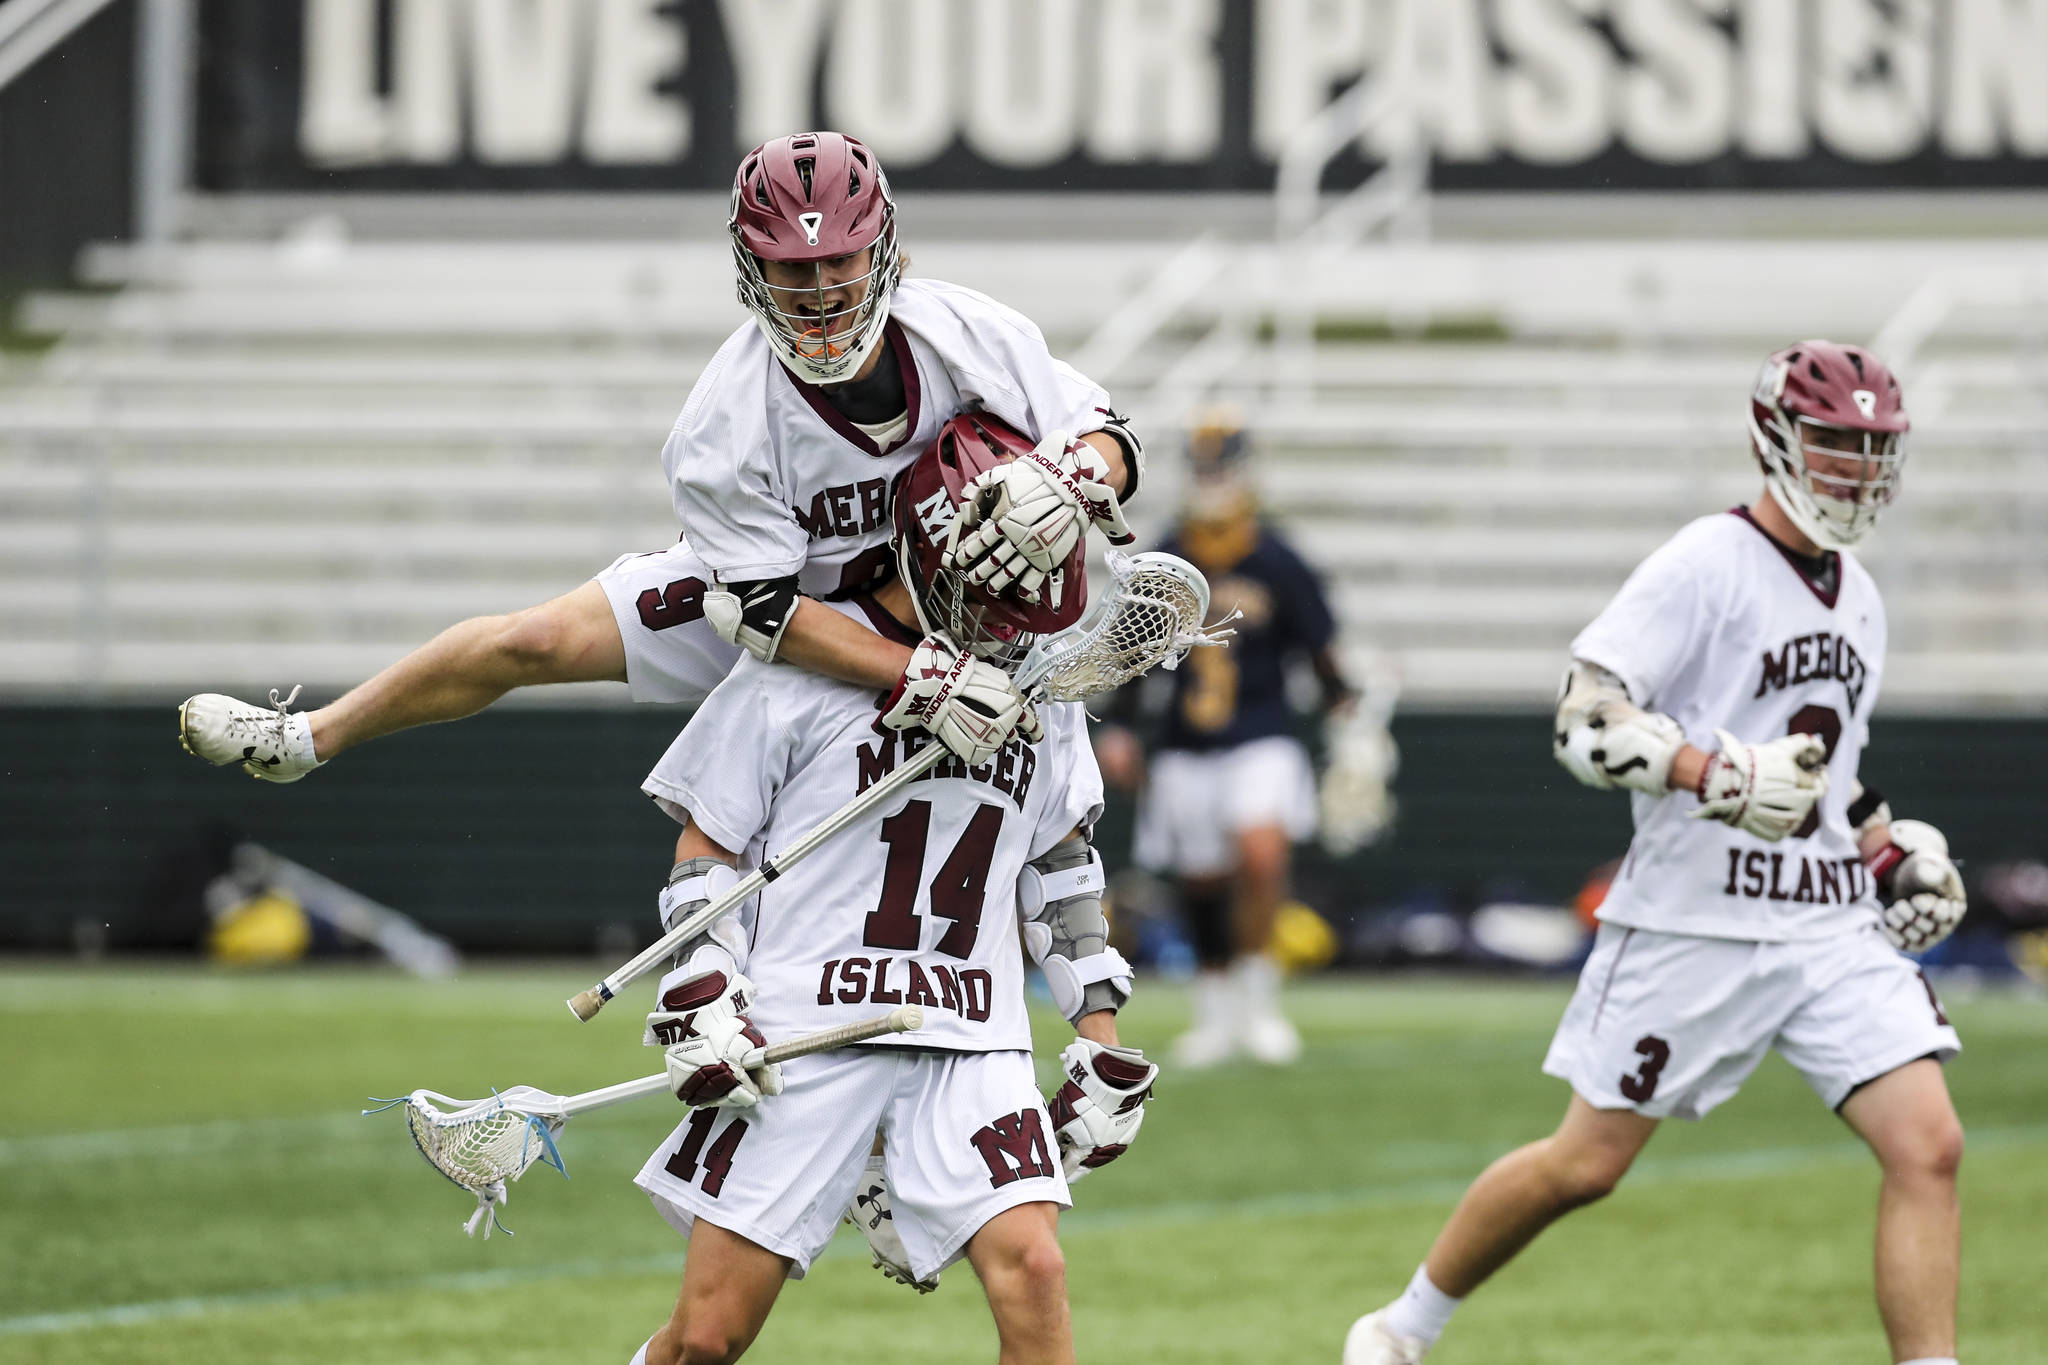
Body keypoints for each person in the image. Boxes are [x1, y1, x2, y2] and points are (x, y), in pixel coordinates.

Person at [1343, 341, 1970, 1365]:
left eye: (1871, 449)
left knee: (1928, 1144)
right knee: (1582, 1165)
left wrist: (1886, 851)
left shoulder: (1858, 592)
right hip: (1695, 918)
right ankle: (1398, 1330)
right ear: (1774, 439)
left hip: (1821, 923)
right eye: (1833, 444)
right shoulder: (1704, 563)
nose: (1854, 470)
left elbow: (1832, 771)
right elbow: (1583, 720)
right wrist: (1711, 775)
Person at [178, 129, 1143, 783]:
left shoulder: (970, 333)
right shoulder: (727, 417)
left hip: (960, 600)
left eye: (838, 261)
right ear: (749, 266)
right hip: (801, 598)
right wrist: (915, 678)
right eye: (791, 269)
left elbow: (1114, 439)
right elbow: (766, 616)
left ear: (882, 248)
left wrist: (1065, 479)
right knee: (536, 641)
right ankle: (307, 736)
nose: (818, 290)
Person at [626, 413, 1158, 1365]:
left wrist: (1098, 1038)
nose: (1019, 610)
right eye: (1000, 583)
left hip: (970, 1033)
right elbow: (709, 842)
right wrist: (701, 983)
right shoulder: (802, 669)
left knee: (1033, 1271)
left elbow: (1062, 868)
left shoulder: (1041, 690)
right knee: (707, 1337)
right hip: (806, 1026)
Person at [1094, 412, 1354, 1068]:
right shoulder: (1169, 555)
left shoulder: (1276, 556)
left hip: (1262, 730)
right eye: (1205, 469)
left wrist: (1343, 704)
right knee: (1202, 878)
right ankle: (1215, 1010)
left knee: (1260, 851)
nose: (1212, 481)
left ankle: (1259, 1000)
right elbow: (1131, 649)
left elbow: (1318, 647)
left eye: (1222, 468)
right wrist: (1121, 726)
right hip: (1186, 740)